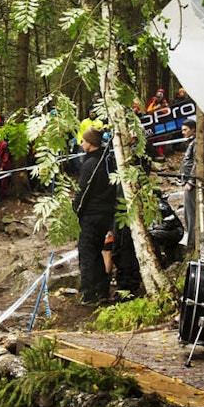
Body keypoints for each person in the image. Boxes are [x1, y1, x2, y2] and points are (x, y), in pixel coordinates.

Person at [74, 127, 115, 306]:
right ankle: (102, 291)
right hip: (107, 215)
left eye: (84, 141)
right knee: (100, 253)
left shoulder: (90, 164)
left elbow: (82, 192)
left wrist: (75, 211)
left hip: (91, 216)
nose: (82, 143)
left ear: (91, 144)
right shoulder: (108, 161)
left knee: (88, 255)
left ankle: (89, 295)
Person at [177, 118, 198, 248]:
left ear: (193, 130)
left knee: (191, 214)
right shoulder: (191, 143)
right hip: (187, 182)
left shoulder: (196, 143)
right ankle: (191, 240)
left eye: (185, 130)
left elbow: (197, 162)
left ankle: (192, 242)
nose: (183, 133)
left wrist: (191, 181)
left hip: (192, 184)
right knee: (187, 213)